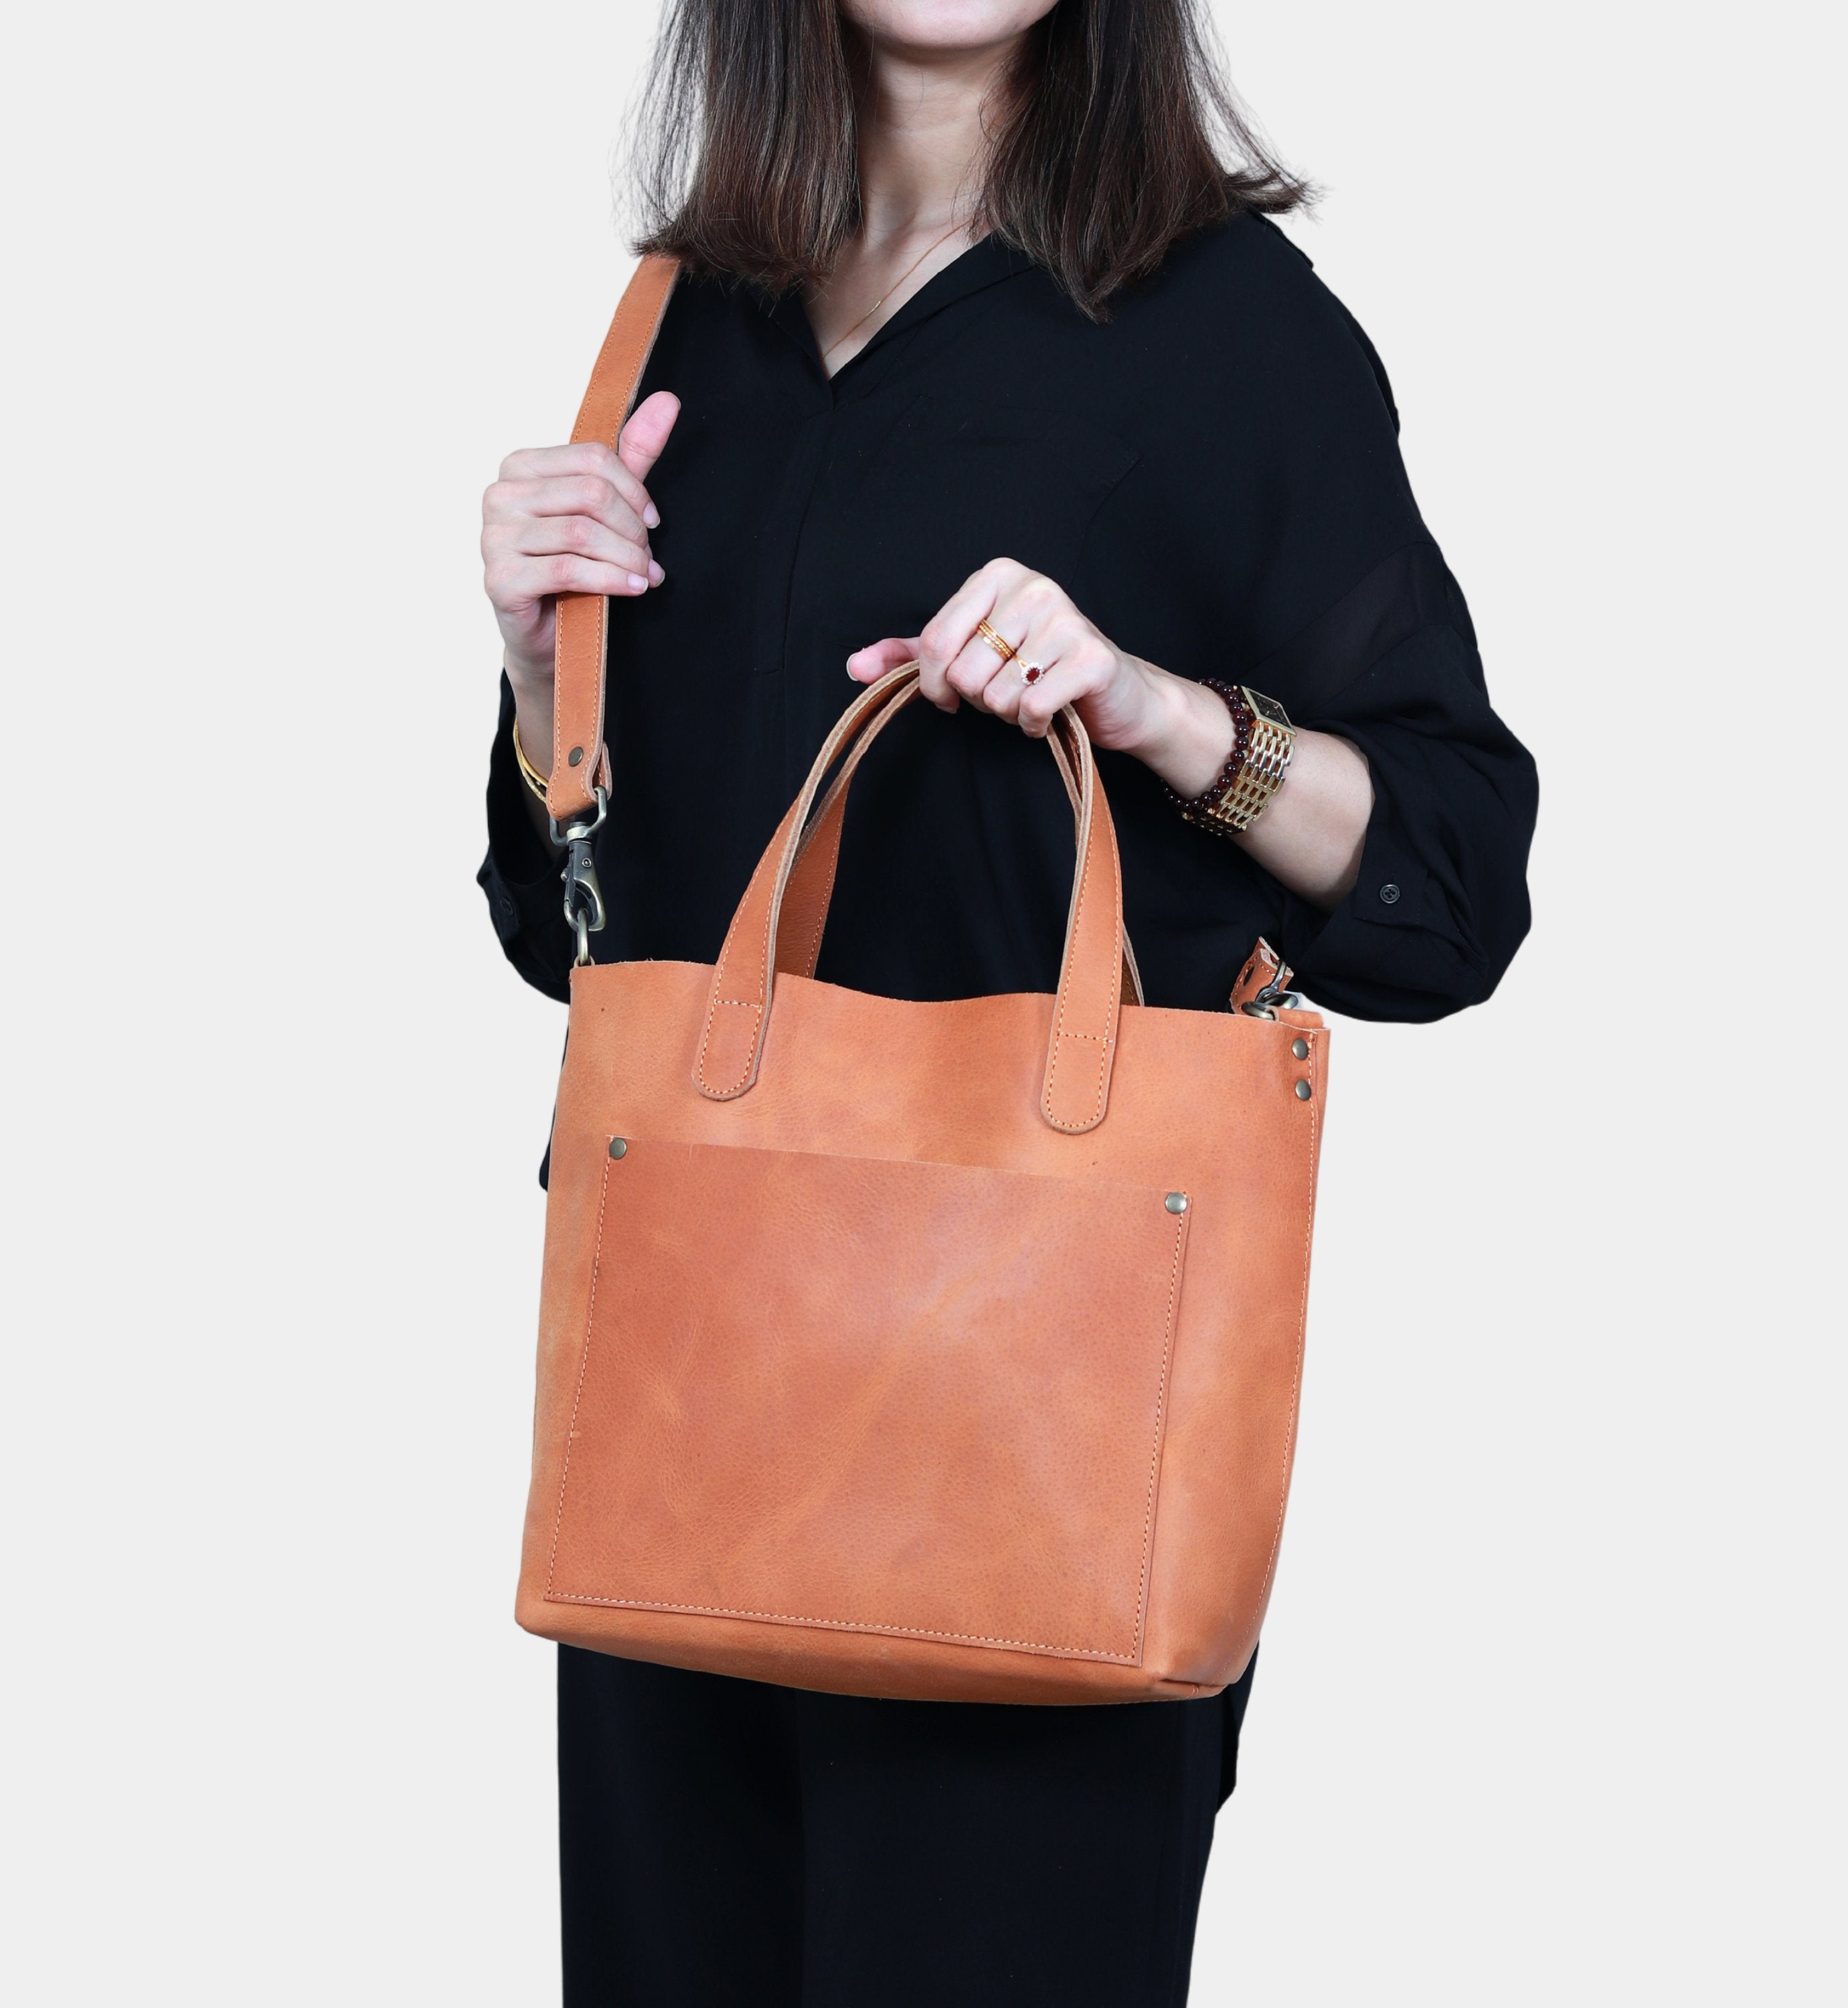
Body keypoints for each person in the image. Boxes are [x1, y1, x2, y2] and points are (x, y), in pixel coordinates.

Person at [477, 1, 1537, 2000]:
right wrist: (550, 676)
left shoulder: (1237, 336)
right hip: (692, 1418)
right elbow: (582, 944)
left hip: (1039, 1440)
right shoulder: (681, 324)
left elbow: (1457, 883)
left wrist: (1152, 712)